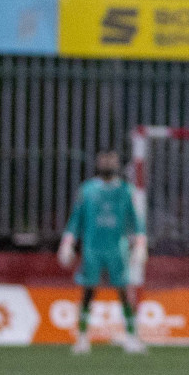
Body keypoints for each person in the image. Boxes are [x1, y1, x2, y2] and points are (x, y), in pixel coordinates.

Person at [57, 150, 147, 354]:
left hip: (118, 247)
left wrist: (140, 244)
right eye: (104, 159)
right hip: (92, 248)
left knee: (125, 291)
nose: (107, 163)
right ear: (98, 162)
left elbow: (136, 221)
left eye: (111, 159)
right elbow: (76, 219)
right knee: (88, 291)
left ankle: (132, 336)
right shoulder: (87, 190)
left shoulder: (126, 190)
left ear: (117, 162)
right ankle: (81, 337)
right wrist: (67, 242)